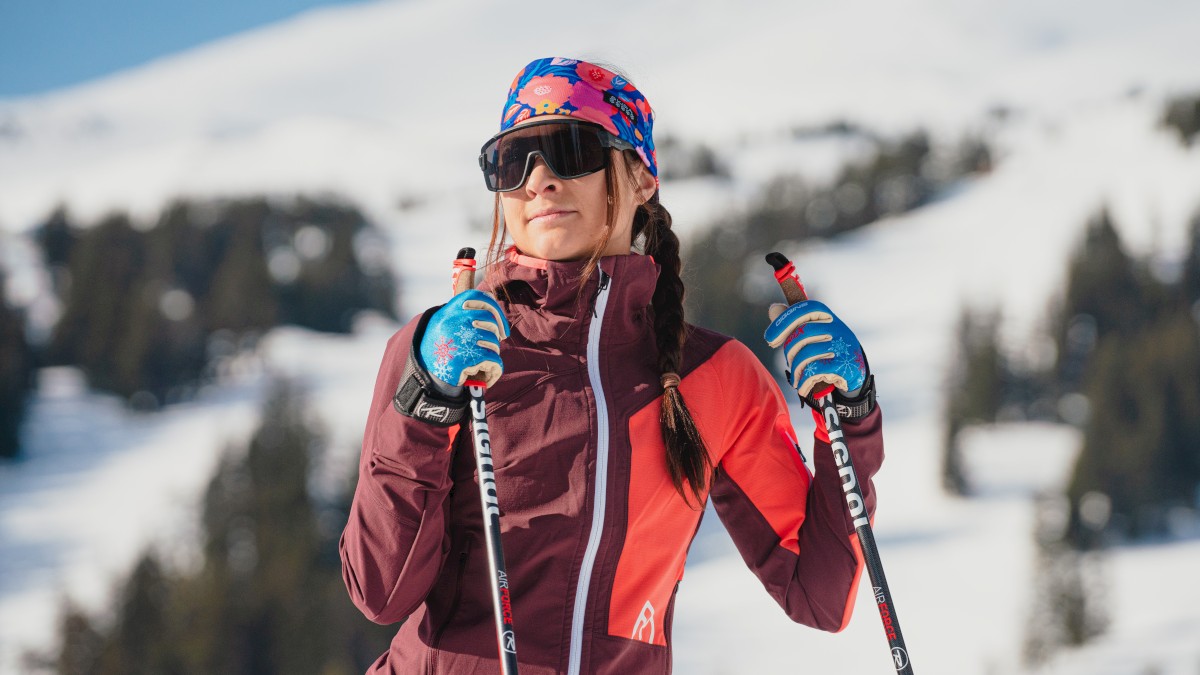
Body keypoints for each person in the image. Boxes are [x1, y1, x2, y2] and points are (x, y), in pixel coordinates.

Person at [340, 56, 885, 675]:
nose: (538, 180)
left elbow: (821, 595)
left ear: (641, 177)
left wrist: (852, 417)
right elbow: (379, 592)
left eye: (570, 149)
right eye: (511, 162)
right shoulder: (443, 354)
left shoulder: (716, 377)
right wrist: (426, 401)